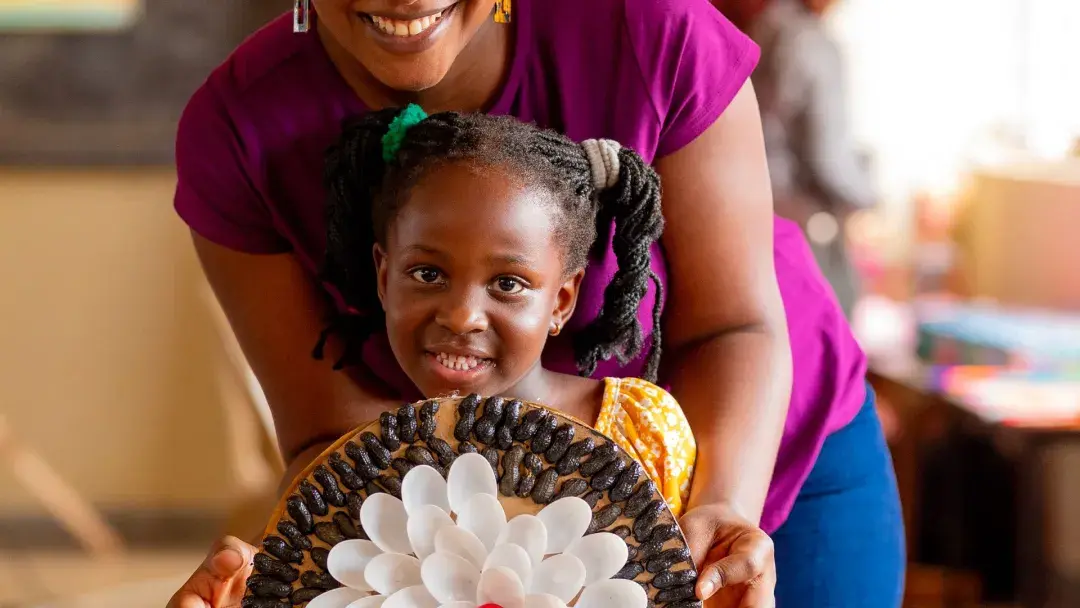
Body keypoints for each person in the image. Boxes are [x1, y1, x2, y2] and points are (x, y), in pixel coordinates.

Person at [168, 0, 902, 606]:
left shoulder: (648, 28)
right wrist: (297, 578)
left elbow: (730, 324)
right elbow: (338, 444)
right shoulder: (236, 132)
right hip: (470, 523)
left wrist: (720, 508)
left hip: (760, 453)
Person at [747, 0, 877, 319]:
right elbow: (828, 159)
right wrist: (870, 198)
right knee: (834, 308)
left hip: (747, 210)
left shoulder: (760, 29)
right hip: (799, 219)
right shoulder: (812, 43)